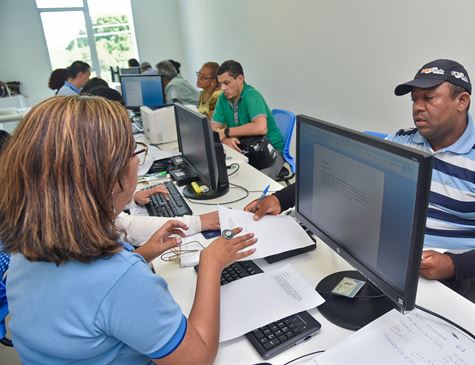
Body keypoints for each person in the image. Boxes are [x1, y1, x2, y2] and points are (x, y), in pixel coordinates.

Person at [0, 95, 256, 364]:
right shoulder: (120, 279)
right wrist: (211, 264)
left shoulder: (25, 249)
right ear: (110, 179)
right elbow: (197, 358)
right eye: (134, 151)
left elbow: (87, 299)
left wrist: (141, 255)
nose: (137, 160)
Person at [246, 59, 475, 299]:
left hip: (452, 276)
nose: (417, 107)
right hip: (386, 260)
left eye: (428, 98)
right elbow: (345, 173)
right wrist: (281, 199)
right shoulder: (404, 141)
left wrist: (454, 265)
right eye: (414, 99)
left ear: (462, 101)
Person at [211, 60, 284, 179]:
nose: (223, 88)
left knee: (257, 182)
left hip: (271, 149)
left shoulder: (251, 95)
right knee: (230, 177)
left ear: (240, 79)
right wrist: (226, 140)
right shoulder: (222, 99)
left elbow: (261, 128)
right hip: (245, 147)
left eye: (227, 83)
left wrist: (225, 132)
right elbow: (213, 128)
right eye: (220, 84)